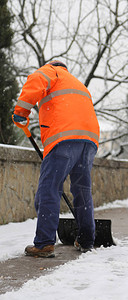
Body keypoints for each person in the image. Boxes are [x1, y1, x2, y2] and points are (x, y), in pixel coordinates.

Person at [13, 60, 100, 257]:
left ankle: (44, 243)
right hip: (89, 140)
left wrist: (21, 112)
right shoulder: (78, 83)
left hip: (63, 138)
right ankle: (86, 239)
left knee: (49, 189)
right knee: (82, 190)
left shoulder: (51, 72)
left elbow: (36, 80)